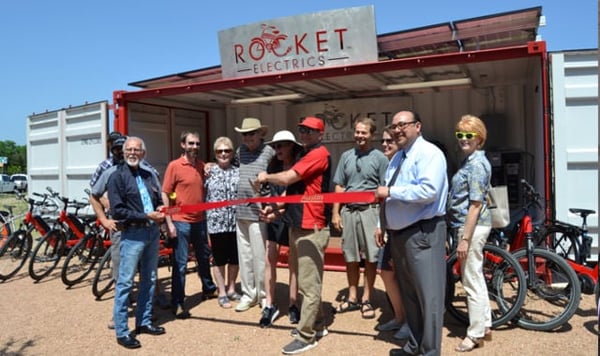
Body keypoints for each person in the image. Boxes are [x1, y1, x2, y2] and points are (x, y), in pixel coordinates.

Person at [255, 116, 331, 355]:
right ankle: (316, 325)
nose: (305, 134)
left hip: (312, 226)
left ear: (320, 134)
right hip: (299, 224)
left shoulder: (319, 154)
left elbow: (289, 178)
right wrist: (275, 209)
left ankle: (306, 335)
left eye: (310, 131)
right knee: (308, 281)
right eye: (302, 130)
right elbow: (294, 192)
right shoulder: (306, 155)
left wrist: (265, 177)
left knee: (308, 284)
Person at [375, 110, 448, 356]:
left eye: (402, 125)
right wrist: (382, 223)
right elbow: (386, 194)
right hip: (400, 236)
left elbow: (428, 191)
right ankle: (415, 346)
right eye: (394, 126)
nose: (397, 130)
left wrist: (392, 193)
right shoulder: (398, 158)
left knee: (429, 298)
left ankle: (430, 351)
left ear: (418, 126)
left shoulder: (429, 154)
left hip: (423, 233)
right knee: (410, 295)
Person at [107, 136, 166, 349]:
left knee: (149, 278)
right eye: (129, 150)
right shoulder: (117, 177)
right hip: (132, 235)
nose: (133, 153)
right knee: (125, 283)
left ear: (143, 153)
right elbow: (118, 211)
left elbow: (157, 199)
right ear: (124, 153)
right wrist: (146, 216)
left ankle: (144, 321)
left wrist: (160, 209)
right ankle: (122, 331)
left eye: (137, 150)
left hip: (152, 233)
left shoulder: (148, 175)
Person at [331, 117, 388, 319]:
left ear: (372, 135)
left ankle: (367, 298)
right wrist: (335, 212)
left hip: (370, 211)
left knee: (371, 257)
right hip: (349, 212)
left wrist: (382, 222)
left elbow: (384, 190)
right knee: (350, 257)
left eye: (364, 132)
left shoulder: (380, 158)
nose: (359, 136)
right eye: (357, 132)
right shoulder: (346, 156)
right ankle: (352, 297)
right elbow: (339, 185)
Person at [446, 115, 493, 352]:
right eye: (460, 135)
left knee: (470, 280)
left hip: (470, 227)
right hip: (470, 225)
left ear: (479, 138)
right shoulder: (470, 161)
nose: (464, 139)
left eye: (469, 135)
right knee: (475, 275)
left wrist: (464, 238)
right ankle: (484, 324)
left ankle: (474, 334)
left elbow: (475, 204)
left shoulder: (475, 165)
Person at [161, 131, 217, 318]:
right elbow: (165, 194)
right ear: (182, 145)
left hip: (199, 221)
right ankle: (177, 302)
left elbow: (216, 168)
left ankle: (208, 289)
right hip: (180, 222)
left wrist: (210, 165)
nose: (194, 147)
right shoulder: (174, 166)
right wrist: (169, 223)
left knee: (203, 257)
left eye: (197, 144)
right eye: (191, 143)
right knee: (180, 263)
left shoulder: (201, 165)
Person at [259, 130, 303, 328]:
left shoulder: (299, 167)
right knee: (270, 260)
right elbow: (271, 194)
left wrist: (273, 208)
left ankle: (293, 303)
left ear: (291, 146)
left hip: (293, 217)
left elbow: (290, 193)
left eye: (281, 145)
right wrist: (269, 209)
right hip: (276, 217)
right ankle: (269, 304)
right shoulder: (272, 166)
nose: (277, 150)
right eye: (275, 146)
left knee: (294, 263)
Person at [234, 117, 275, 312]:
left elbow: (275, 178)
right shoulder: (240, 151)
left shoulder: (269, 152)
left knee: (260, 257)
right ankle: (248, 294)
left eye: (251, 133)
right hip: (240, 211)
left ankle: (264, 295)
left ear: (260, 134)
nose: (247, 137)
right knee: (245, 256)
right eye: (245, 134)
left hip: (259, 211)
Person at [374, 125, 409, 339]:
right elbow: (383, 199)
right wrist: (380, 224)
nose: (386, 144)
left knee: (406, 278)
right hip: (390, 228)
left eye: (390, 141)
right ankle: (399, 317)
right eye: (383, 141)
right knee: (386, 272)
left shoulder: (406, 163)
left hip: (406, 230)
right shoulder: (389, 165)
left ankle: (411, 322)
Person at [205, 136, 241, 309]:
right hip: (216, 222)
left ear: (232, 153)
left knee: (234, 257)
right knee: (219, 259)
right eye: (220, 151)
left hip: (235, 222)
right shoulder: (208, 172)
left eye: (227, 150)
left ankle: (232, 288)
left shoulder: (239, 171)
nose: (224, 154)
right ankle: (221, 292)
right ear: (215, 153)